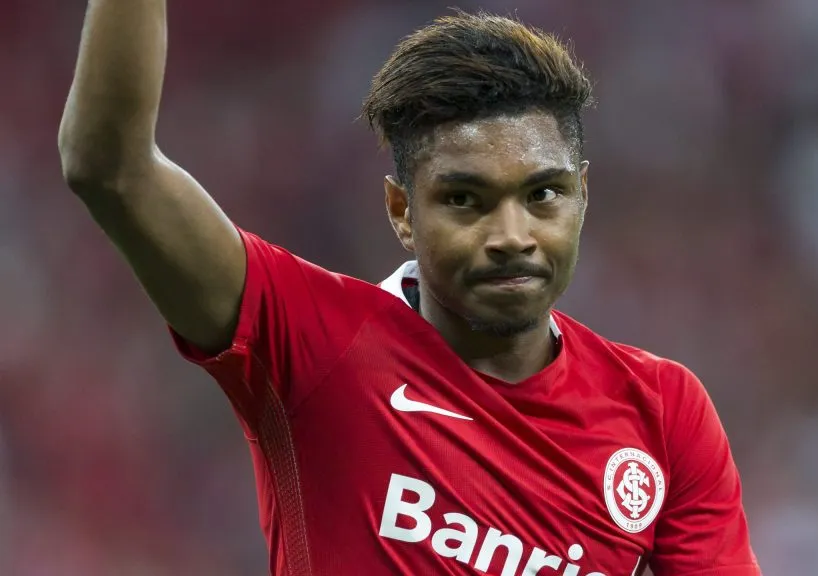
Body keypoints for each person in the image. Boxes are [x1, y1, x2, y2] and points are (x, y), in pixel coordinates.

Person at [58, 1, 760, 574]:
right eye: (465, 200)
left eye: (543, 194)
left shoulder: (664, 413)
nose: (512, 234)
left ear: (583, 194)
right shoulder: (315, 342)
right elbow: (109, 168)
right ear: (401, 211)